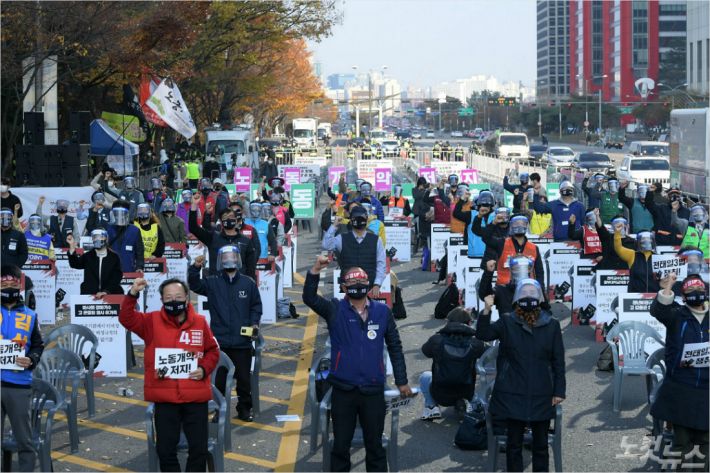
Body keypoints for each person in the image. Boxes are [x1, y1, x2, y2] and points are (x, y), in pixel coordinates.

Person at [302, 257, 412, 472]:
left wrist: (402, 381)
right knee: (340, 447)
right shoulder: (334, 310)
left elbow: (395, 346)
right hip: (343, 390)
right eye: (351, 283)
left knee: (375, 447)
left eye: (361, 282)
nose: (357, 286)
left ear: (369, 285)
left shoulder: (383, 312)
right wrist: (315, 269)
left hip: (373, 390)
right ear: (344, 287)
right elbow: (309, 298)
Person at [119, 277, 219, 472]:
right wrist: (132, 294)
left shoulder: (200, 322)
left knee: (198, 450)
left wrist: (204, 369)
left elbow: (213, 350)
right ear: (162, 300)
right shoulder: (151, 321)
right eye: (168, 298)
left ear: (187, 298)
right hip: (165, 397)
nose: (174, 301)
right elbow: (126, 318)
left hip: (195, 396)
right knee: (165, 450)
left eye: (178, 297)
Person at [477, 280, 566, 473]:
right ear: (517, 297)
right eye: (524, 291)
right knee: (513, 444)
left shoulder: (552, 324)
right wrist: (486, 309)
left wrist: (559, 391)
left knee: (540, 445)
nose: (528, 295)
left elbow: (558, 361)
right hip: (512, 391)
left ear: (540, 297)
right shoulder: (507, 321)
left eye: (532, 291)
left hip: (542, 391)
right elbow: (483, 334)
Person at [188, 247, 262, 421]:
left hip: (242, 342)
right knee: (218, 381)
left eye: (233, 256)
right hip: (219, 342)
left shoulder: (248, 283)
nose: (230, 260)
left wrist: (254, 323)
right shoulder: (212, 282)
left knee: (244, 380)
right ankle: (219, 411)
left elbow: (256, 306)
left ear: (238, 259)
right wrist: (195, 268)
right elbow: (195, 285)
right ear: (220, 260)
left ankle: (244, 409)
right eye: (226, 257)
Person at [650, 273, 708, 472]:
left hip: (706, 391)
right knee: (681, 443)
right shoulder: (676, 315)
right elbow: (658, 309)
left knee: (705, 443)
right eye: (690, 290)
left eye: (699, 289)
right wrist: (668, 286)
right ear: (683, 297)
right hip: (681, 388)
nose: (696, 293)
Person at [1, 264, 45, 472]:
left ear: (20, 285)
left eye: (12, 283)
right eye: (3, 284)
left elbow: (38, 345)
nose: (8, 286)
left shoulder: (31, 315)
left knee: (24, 441)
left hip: (19, 385)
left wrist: (32, 359)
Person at [419, 307, 485, 420]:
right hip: (467, 392)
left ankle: (431, 407)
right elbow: (488, 357)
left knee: (425, 376)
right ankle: (469, 404)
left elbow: (425, 351)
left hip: (440, 393)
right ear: (469, 323)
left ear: (448, 321)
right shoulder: (476, 343)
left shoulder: (436, 340)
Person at [323, 205, 386, 297]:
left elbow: (381, 264)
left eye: (362, 217)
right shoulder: (342, 238)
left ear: (367, 219)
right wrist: (334, 225)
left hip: (369, 288)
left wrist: (377, 284)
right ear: (351, 220)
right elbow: (326, 245)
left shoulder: (376, 240)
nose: (359, 220)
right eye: (356, 217)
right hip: (347, 288)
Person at [189, 196, 258, 279]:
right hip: (217, 283)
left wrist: (249, 284)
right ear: (221, 222)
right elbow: (193, 228)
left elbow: (251, 268)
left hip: (239, 283)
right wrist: (194, 205)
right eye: (225, 217)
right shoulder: (212, 238)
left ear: (236, 220)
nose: (228, 219)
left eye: (231, 217)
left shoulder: (246, 241)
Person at [67, 230, 123, 295]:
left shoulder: (114, 257)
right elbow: (74, 264)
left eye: (100, 237)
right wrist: (72, 246)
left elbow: (116, 278)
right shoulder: (88, 256)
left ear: (106, 239)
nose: (97, 239)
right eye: (94, 237)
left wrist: (106, 291)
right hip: (90, 295)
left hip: (109, 294)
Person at [614, 228, 660, 293]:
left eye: (648, 238)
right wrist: (617, 233)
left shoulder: (658, 258)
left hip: (654, 295)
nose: (646, 241)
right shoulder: (632, 255)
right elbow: (619, 249)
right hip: (634, 295)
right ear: (638, 241)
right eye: (643, 238)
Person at [454, 190, 495, 258]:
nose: (485, 207)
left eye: (487, 205)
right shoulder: (471, 214)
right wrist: (462, 199)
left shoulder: (496, 216)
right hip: (474, 254)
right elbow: (456, 213)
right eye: (483, 204)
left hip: (490, 256)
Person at [107, 201, 144, 273]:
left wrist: (139, 266)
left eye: (122, 212)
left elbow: (139, 251)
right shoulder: (108, 229)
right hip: (111, 271)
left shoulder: (134, 230)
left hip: (128, 270)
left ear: (127, 213)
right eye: (117, 212)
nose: (119, 215)